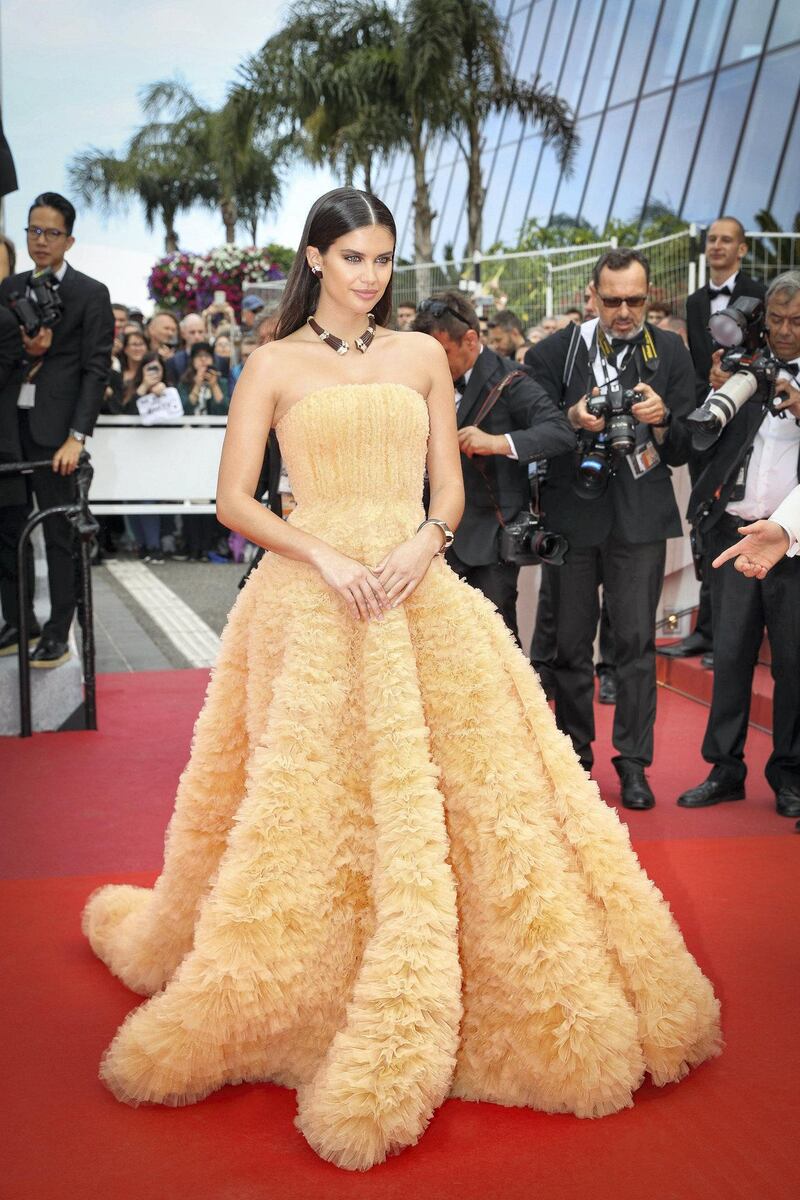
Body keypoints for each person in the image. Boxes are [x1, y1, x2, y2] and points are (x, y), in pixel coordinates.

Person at [82, 186, 720, 1173]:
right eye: (352, 260)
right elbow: (231, 503)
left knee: (482, 798)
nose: (371, 277)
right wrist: (324, 558)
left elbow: (449, 483)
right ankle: (299, 987)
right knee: (308, 809)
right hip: (310, 595)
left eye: (382, 258)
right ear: (313, 260)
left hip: (416, 586)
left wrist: (424, 542)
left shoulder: (422, 354)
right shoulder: (272, 364)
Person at [525, 248, 696, 810]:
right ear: (591, 297)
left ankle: (634, 764)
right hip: (573, 514)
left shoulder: (669, 351)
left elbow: (686, 445)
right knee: (570, 646)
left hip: (640, 520)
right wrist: (571, 418)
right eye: (614, 300)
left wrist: (665, 416)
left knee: (636, 646)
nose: (625, 312)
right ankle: (576, 756)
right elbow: (532, 427)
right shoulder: (558, 351)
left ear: (651, 298)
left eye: (636, 300)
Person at [678, 271, 800, 818]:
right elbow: (698, 443)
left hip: (794, 543)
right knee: (728, 657)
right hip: (735, 534)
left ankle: (790, 777)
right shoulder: (744, 373)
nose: (783, 331)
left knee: (793, 666)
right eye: (775, 319)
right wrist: (717, 389)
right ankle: (723, 769)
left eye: (796, 322)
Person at [412, 291, 574, 639]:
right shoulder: (415, 378)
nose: (431, 363)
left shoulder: (510, 379)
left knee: (495, 645)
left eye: (442, 353)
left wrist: (499, 443)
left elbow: (560, 432)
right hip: (426, 537)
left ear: (470, 339)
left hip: (489, 540)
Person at [0, 191, 113, 667]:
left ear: (69, 239)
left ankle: (57, 630)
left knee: (58, 534)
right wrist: (31, 352)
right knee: (8, 531)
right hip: (9, 428)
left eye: (50, 233)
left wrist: (77, 436)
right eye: (32, 231)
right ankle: (19, 619)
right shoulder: (9, 289)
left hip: (57, 435)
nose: (40, 241)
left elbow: (96, 370)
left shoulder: (91, 293)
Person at [663, 217, 766, 664]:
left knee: (741, 523)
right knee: (704, 527)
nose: (718, 246)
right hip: (708, 422)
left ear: (742, 249)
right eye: (712, 240)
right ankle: (707, 629)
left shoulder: (762, 294)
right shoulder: (694, 301)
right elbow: (697, 365)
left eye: (727, 240)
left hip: (751, 426)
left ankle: (738, 633)